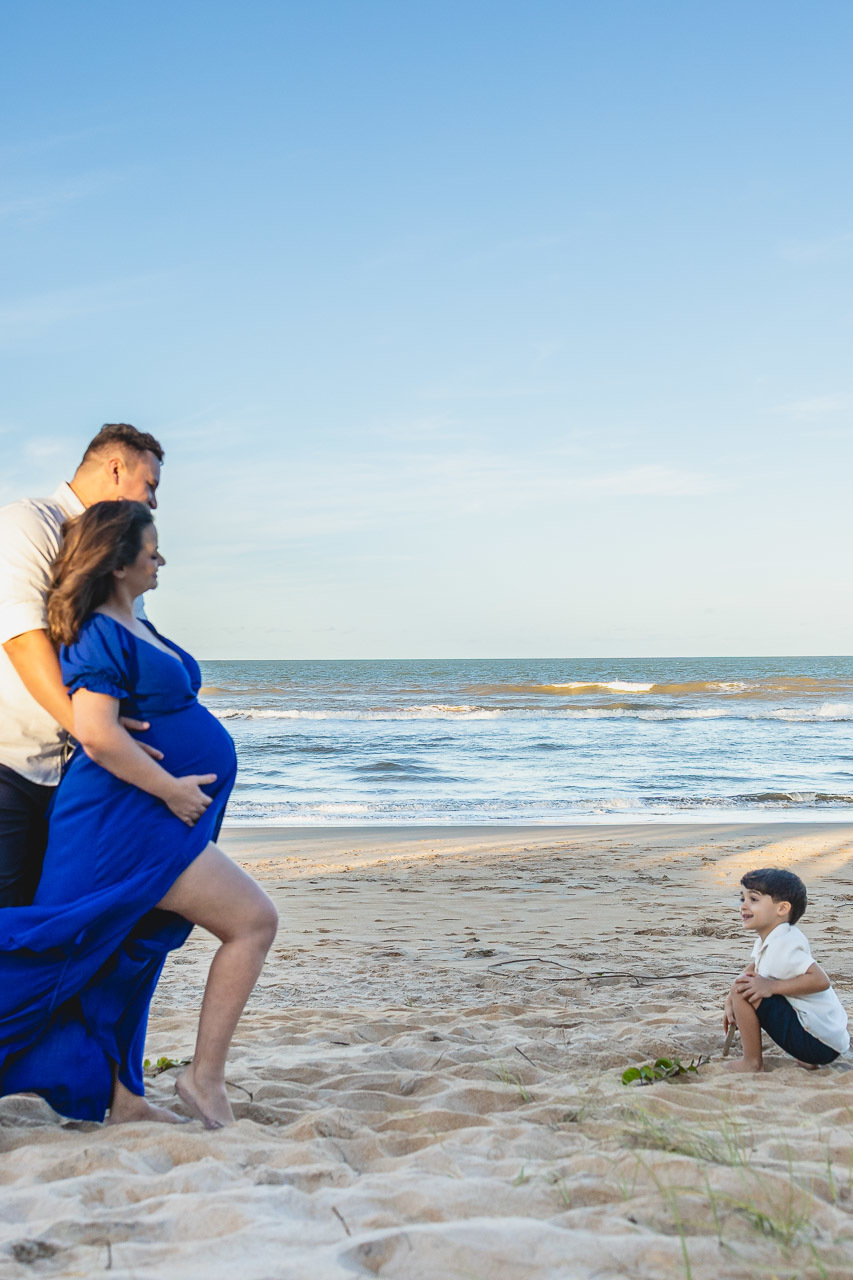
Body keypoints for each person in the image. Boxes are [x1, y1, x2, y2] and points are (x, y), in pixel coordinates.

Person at [0, 500, 278, 1127]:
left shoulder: (134, 622)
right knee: (251, 921)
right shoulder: (98, 631)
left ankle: (127, 1101)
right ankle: (204, 1081)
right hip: (124, 823)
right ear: (118, 562)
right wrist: (172, 790)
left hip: (151, 821)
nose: (161, 560)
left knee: (128, 954)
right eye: (151, 551)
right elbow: (98, 733)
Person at [0, 424, 164, 907]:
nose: (153, 502)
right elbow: (24, 640)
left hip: (77, 775)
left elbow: (135, 647)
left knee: (59, 916)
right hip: (10, 766)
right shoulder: (28, 524)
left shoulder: (118, 553)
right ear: (115, 469)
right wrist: (98, 736)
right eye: (149, 484)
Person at [723, 867, 849, 1072]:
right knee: (742, 985)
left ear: (782, 908)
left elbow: (820, 980)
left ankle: (751, 1062)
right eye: (742, 898)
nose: (743, 906)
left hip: (817, 1044)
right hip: (827, 1042)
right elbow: (755, 966)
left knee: (742, 990)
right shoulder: (775, 937)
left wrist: (770, 987)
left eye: (753, 899)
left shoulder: (783, 945)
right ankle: (805, 1058)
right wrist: (730, 997)